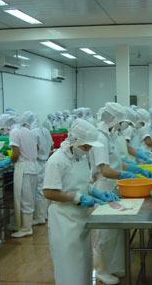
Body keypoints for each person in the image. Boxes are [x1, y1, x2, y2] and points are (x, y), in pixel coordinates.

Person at [44, 118, 117, 285]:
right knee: (69, 268)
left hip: (81, 219)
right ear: (73, 140)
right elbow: (49, 192)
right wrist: (77, 198)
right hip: (64, 221)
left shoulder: (81, 158)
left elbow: (83, 182)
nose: (88, 150)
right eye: (86, 146)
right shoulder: (57, 161)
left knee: (83, 265)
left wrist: (96, 192)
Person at [89, 102, 138, 284]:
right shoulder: (100, 138)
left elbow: (116, 162)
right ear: (112, 119)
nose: (121, 126)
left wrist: (132, 168)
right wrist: (125, 174)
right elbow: (105, 170)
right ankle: (101, 270)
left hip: (114, 185)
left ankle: (113, 267)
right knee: (105, 233)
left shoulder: (109, 135)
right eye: (119, 122)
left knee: (115, 231)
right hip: (104, 188)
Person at [4, 114, 41, 238]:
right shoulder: (28, 131)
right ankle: (26, 224)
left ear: (7, 125)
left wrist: (8, 161)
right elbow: (37, 147)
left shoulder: (14, 132)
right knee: (31, 198)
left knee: (24, 199)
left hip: (24, 167)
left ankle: (26, 228)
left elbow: (15, 153)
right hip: (34, 166)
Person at [20, 111, 54, 225]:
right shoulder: (45, 130)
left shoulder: (33, 132)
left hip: (37, 163)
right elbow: (52, 146)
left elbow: (35, 148)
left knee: (39, 191)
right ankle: (45, 214)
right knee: (45, 188)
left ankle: (40, 216)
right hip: (46, 162)